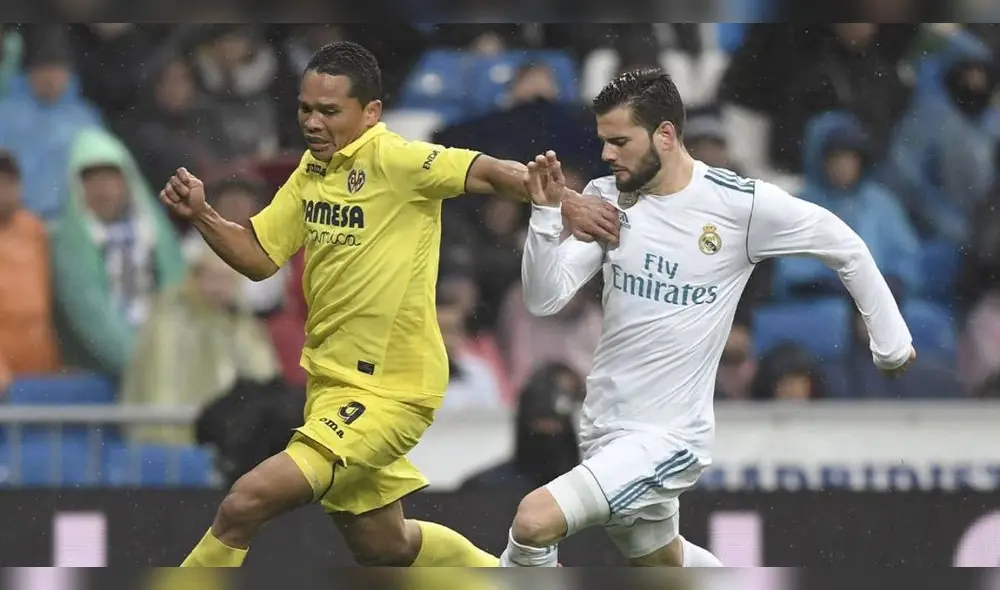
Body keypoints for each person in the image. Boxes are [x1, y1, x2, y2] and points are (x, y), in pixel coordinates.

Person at [158, 41, 619, 568]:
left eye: (329, 111)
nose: (313, 122)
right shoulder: (311, 173)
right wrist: (203, 214)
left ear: (370, 112)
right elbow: (260, 257)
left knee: (245, 503)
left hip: (391, 390)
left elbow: (488, 172)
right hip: (331, 387)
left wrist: (567, 202)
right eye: (306, 109)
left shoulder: (398, 159)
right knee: (386, 547)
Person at [501, 68, 917, 568]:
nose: (607, 154)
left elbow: (844, 244)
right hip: (602, 431)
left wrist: (890, 342)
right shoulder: (608, 196)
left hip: (667, 440)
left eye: (619, 141)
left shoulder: (738, 206)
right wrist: (547, 217)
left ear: (666, 135)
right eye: (603, 142)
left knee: (532, 522)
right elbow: (545, 299)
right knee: (665, 565)